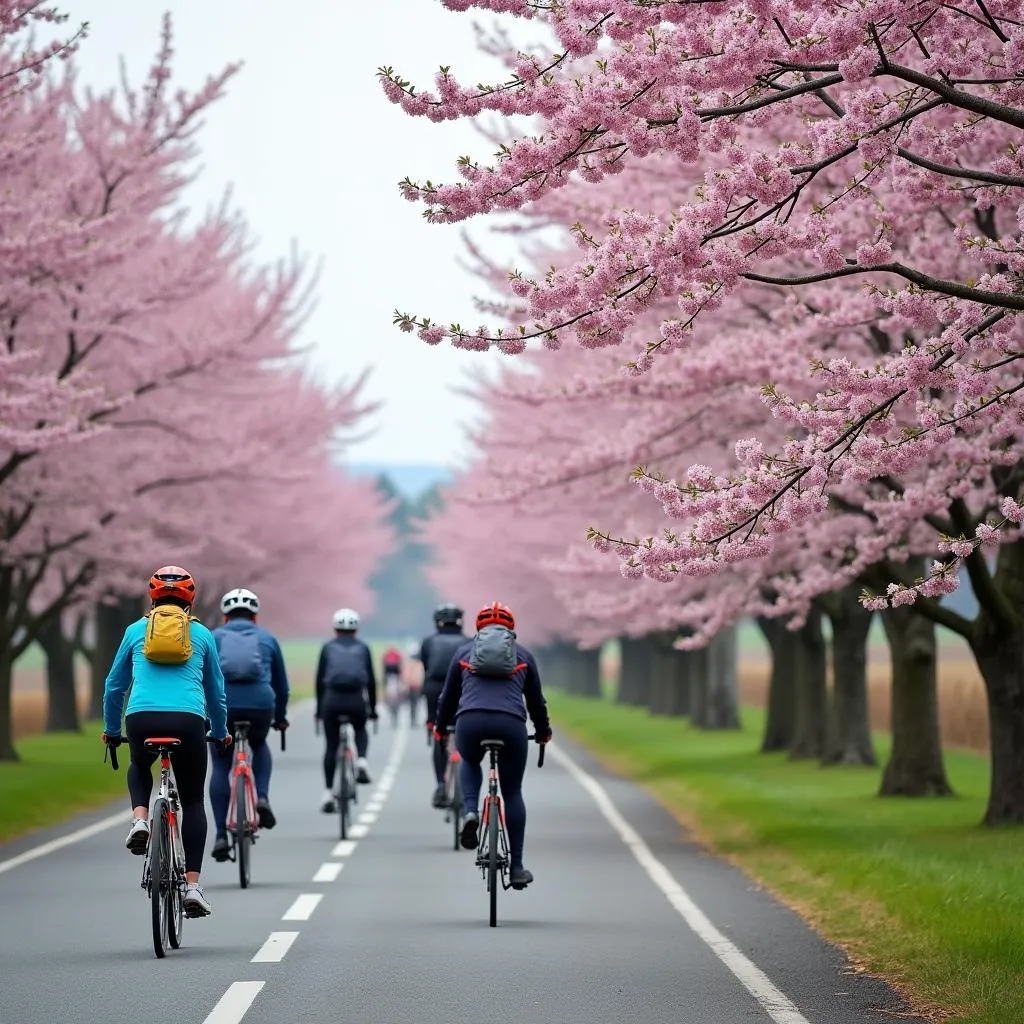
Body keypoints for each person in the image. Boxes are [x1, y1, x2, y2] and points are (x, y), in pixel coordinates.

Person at [101, 566, 230, 919]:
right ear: (190, 599)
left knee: (139, 764)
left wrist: (113, 730)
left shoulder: (134, 631)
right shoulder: (202, 634)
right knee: (191, 799)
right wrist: (219, 732)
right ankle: (192, 886)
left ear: (152, 596)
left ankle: (140, 819)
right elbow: (216, 692)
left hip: (141, 717)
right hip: (188, 721)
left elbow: (114, 686)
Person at [434, 601, 551, 890]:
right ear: (512, 627)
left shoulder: (463, 652)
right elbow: (536, 702)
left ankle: (471, 811)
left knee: (470, 760)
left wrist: (439, 729)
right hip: (510, 725)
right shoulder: (523, 655)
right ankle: (517, 868)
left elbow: (447, 697)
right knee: (512, 791)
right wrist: (543, 731)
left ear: (478, 626)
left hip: (470, 722)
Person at [208, 588, 290, 862]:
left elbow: (202, 677)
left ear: (225, 615)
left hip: (224, 705)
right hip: (259, 704)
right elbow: (282, 684)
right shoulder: (267, 638)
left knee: (221, 764)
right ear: (254, 615)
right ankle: (262, 797)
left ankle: (220, 834)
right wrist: (280, 717)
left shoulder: (214, 637)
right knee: (258, 743)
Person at [315, 607, 378, 810]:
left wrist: (319, 710)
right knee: (360, 728)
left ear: (335, 629)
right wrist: (373, 709)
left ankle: (326, 793)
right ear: (356, 630)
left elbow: (319, 681)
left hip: (332, 700)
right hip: (356, 699)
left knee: (331, 746)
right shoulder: (363, 647)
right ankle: (361, 761)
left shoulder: (327, 647)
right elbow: (371, 681)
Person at [419, 602, 468, 807]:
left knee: (439, 734)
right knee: (466, 735)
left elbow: (426, 666)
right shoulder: (469, 641)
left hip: (435, 690)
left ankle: (441, 784)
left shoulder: (429, 641)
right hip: (464, 690)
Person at [381, 644, 404, 726]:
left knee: (389, 694)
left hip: (391, 678)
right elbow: (401, 668)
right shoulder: (397, 655)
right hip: (395, 679)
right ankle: (395, 707)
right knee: (398, 693)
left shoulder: (386, 655)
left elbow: (383, 667)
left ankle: (390, 706)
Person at [404, 640, 423, 725]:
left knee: (413, 704)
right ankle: (413, 719)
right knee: (414, 704)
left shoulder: (410, 663)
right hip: (415, 686)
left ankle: (413, 719)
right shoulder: (418, 663)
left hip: (413, 685)